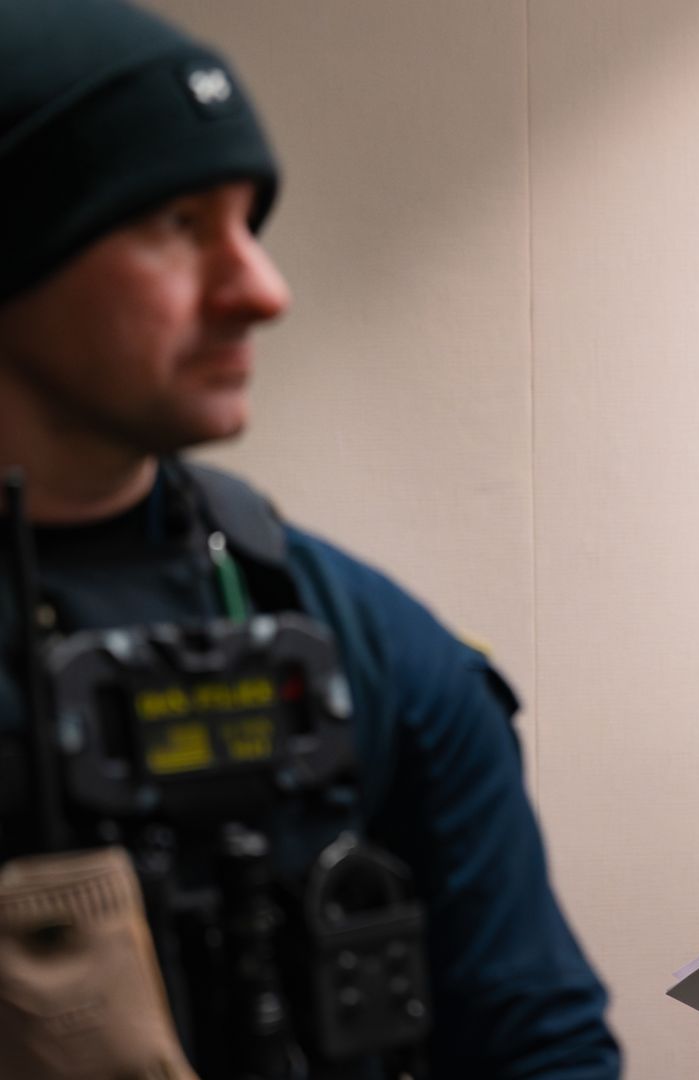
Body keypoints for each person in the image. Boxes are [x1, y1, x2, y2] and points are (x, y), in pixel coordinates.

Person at [0, 0, 620, 1075]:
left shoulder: (369, 647)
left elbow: (539, 1045)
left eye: (249, 225)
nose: (261, 290)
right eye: (174, 225)